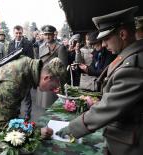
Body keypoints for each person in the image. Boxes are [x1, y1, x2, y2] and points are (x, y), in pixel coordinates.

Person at [42, 6, 143, 155]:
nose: (103, 45)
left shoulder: (133, 65)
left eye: (107, 38)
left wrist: (72, 128)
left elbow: (109, 107)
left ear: (122, 34)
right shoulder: (129, 57)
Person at [0, 56, 67, 155]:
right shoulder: (12, 83)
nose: (53, 91)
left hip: (1, 93)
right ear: (47, 78)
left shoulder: (31, 69)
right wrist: (37, 132)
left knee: (15, 134)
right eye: (52, 87)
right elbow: (4, 123)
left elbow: (12, 111)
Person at [37, 25, 68, 108]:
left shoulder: (60, 47)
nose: (47, 36)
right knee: (43, 105)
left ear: (54, 35)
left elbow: (63, 67)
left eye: (49, 34)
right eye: (45, 34)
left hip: (53, 80)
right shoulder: (41, 47)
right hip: (43, 79)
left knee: (53, 106)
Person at [8, 25, 34, 119]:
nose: (18, 35)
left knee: (27, 95)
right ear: (13, 33)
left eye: (20, 33)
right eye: (16, 33)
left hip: (24, 73)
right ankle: (17, 111)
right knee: (16, 94)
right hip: (14, 74)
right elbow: (8, 59)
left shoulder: (28, 43)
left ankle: (27, 113)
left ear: (22, 33)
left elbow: (31, 59)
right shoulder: (10, 44)